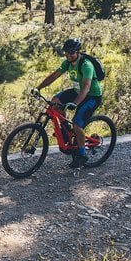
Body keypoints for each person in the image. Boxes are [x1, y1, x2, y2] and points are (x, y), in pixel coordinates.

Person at [34, 37, 103, 169]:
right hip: (77, 91)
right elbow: (54, 76)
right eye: (66, 52)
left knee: (77, 124)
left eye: (71, 52)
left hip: (91, 96)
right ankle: (67, 129)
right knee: (55, 102)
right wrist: (38, 88)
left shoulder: (86, 65)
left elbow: (86, 88)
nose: (68, 55)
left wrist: (75, 104)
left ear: (78, 52)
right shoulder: (67, 63)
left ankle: (82, 155)